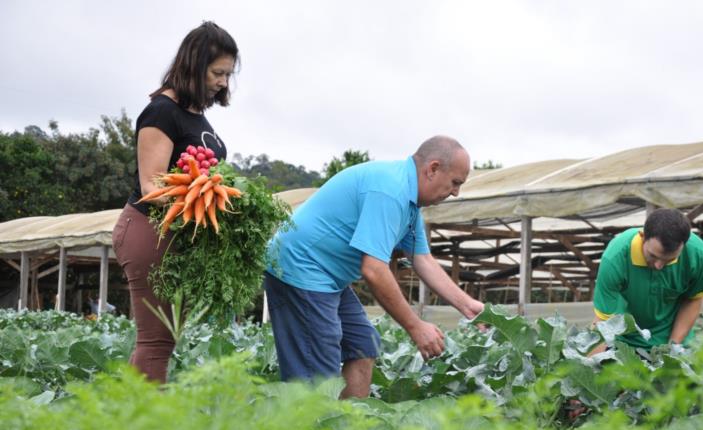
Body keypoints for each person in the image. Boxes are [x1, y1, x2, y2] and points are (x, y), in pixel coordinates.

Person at [264, 135, 485, 398]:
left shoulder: (410, 204)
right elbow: (374, 270)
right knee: (316, 374)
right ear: (433, 168)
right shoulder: (390, 191)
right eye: (455, 183)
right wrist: (416, 327)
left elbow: (422, 260)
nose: (456, 192)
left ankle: (350, 428)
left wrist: (467, 305)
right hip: (300, 267)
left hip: (326, 275)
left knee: (362, 344)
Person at [112, 21, 238, 382]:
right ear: (195, 66)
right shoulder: (161, 112)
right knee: (156, 340)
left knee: (164, 339)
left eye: (228, 74)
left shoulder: (196, 115)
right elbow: (152, 184)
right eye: (218, 73)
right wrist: (201, 208)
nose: (224, 83)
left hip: (175, 234)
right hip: (149, 231)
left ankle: (139, 420)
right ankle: (145, 428)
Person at [590, 207, 703, 353]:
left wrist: (672, 349)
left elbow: (693, 299)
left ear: (684, 246)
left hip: (674, 338)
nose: (659, 265)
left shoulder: (697, 254)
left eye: (669, 260)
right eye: (653, 256)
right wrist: (592, 366)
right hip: (625, 343)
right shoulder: (615, 257)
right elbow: (603, 324)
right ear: (642, 236)